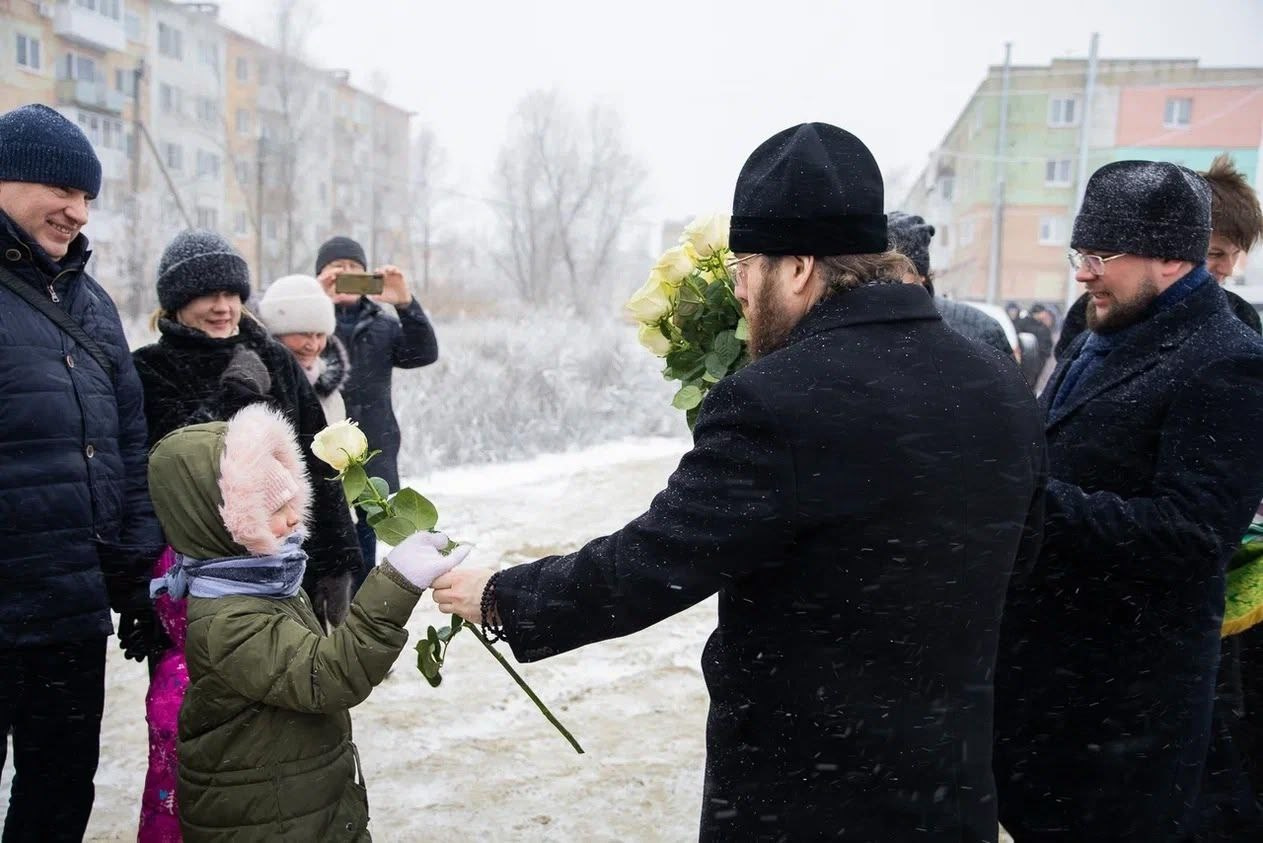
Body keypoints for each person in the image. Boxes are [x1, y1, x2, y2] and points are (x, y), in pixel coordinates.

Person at [430, 123, 1046, 841]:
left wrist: (504, 596)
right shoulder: (998, 384)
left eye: (743, 267)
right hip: (947, 793)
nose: (739, 292)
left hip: (806, 800)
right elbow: (1022, 564)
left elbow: (654, 561)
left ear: (797, 268)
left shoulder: (778, 398)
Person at [993, 160, 1263, 841]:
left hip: (1123, 712)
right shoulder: (1095, 329)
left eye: (1100, 256)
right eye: (1078, 253)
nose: (1082, 273)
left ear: (1172, 257)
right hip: (1049, 691)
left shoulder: (1225, 361)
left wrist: (1029, 502)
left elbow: (1193, 533)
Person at [145, 403, 468, 841]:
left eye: (291, 501)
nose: (294, 518)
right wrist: (397, 582)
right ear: (223, 523)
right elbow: (328, 675)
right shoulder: (229, 619)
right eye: (273, 510)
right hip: (264, 820)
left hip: (295, 803)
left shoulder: (262, 583)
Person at [0, 103, 164, 840]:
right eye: (61, 189)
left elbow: (131, 441)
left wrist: (135, 568)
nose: (77, 211)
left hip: (70, 611)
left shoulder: (92, 305)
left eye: (88, 196)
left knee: (61, 790)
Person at [132, 229, 362, 629]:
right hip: (204, 578)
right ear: (177, 301)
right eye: (208, 295)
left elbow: (317, 463)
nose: (223, 307)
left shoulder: (273, 358)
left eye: (232, 294)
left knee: (294, 684)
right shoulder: (152, 369)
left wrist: (338, 561)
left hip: (291, 565)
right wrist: (235, 397)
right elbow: (176, 468)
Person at [315, 236, 438, 588]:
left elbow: (423, 353)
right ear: (320, 277)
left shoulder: (382, 324)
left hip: (373, 449)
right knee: (327, 538)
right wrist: (317, 303)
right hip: (320, 451)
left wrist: (406, 304)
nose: (348, 275)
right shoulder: (309, 327)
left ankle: (359, 613)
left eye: (356, 269)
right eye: (338, 269)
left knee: (367, 535)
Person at [1054, 152, 1263, 357]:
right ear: (1174, 250)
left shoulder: (1240, 321)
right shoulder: (1093, 310)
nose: (1227, 268)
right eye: (1214, 254)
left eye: (1235, 254)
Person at [887, 210, 1013, 357]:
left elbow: (1008, 378)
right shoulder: (865, 327)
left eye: (892, 276)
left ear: (920, 275)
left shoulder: (980, 329)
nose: (882, 285)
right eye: (875, 274)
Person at [258, 273, 352, 424]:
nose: (313, 346)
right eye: (304, 334)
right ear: (275, 335)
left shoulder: (329, 393)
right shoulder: (257, 388)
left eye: (320, 335)